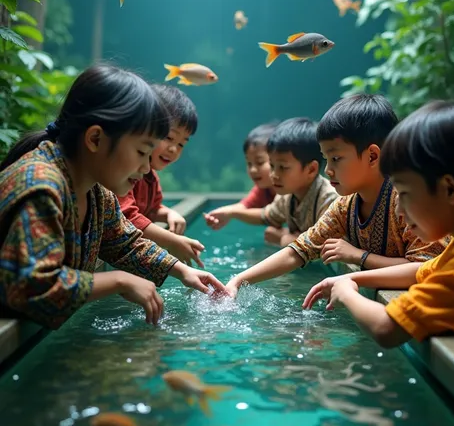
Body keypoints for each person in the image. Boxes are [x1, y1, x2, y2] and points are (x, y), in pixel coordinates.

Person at [0, 64, 227, 330]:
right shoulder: (40, 186)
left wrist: (181, 270)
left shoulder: (96, 193)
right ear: (96, 139)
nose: (145, 169)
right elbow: (31, 288)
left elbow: (125, 244)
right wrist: (119, 281)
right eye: (142, 152)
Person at [225, 95, 447, 297]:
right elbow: (300, 251)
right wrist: (238, 280)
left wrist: (359, 259)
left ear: (372, 156)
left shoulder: (407, 199)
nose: (327, 170)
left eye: (336, 159)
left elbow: (428, 267)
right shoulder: (345, 207)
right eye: (326, 159)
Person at [302, 100, 454, 347]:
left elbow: (386, 328)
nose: (399, 209)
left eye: (405, 194)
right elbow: (420, 271)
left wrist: (347, 294)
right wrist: (353, 280)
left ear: (450, 189)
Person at [209, 118, 337, 247]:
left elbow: (323, 247)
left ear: (311, 169)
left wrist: (285, 238)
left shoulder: (329, 200)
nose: (274, 175)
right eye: (272, 165)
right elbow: (265, 216)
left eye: (283, 167)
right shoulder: (286, 196)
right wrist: (232, 213)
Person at [118, 84, 205, 267]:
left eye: (181, 144)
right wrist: (172, 241)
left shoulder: (152, 177)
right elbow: (126, 217)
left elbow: (152, 208)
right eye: (169, 138)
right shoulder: (125, 171)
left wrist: (168, 214)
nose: (174, 149)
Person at [204, 122, 278, 230]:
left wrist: (232, 212)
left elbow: (270, 215)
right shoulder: (262, 190)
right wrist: (224, 213)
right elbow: (244, 206)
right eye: (249, 163)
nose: (253, 169)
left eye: (260, 162)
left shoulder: (291, 191)